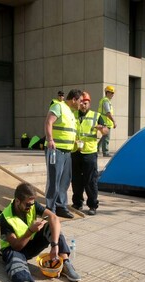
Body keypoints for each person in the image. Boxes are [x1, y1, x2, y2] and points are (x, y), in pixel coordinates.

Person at [0, 183, 81, 282]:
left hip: (30, 242)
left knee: (50, 227)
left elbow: (54, 218)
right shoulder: (5, 218)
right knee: (14, 260)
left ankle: (65, 263)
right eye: (27, 205)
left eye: (32, 204)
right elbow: (16, 246)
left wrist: (55, 245)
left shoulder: (31, 204)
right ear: (17, 201)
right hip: (14, 248)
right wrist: (30, 231)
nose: (30, 207)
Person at [44, 89, 82, 219]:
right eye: (80, 101)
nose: (81, 104)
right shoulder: (58, 106)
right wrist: (50, 140)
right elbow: (49, 122)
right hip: (56, 150)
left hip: (67, 152)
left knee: (64, 181)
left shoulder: (71, 112)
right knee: (54, 179)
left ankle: (61, 207)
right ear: (74, 99)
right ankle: (50, 208)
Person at [71, 91, 109, 216]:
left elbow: (106, 131)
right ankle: (77, 203)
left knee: (90, 180)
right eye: (81, 102)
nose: (83, 105)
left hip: (90, 153)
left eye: (85, 103)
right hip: (76, 151)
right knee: (76, 180)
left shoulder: (96, 115)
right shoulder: (73, 114)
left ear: (89, 103)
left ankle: (92, 205)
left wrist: (101, 129)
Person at [97, 85, 116, 157]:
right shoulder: (105, 101)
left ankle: (97, 149)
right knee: (106, 137)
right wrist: (114, 121)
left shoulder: (105, 100)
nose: (112, 95)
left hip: (103, 120)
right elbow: (108, 112)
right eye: (111, 93)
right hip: (105, 121)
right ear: (107, 92)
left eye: (113, 93)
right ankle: (106, 152)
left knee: (102, 137)